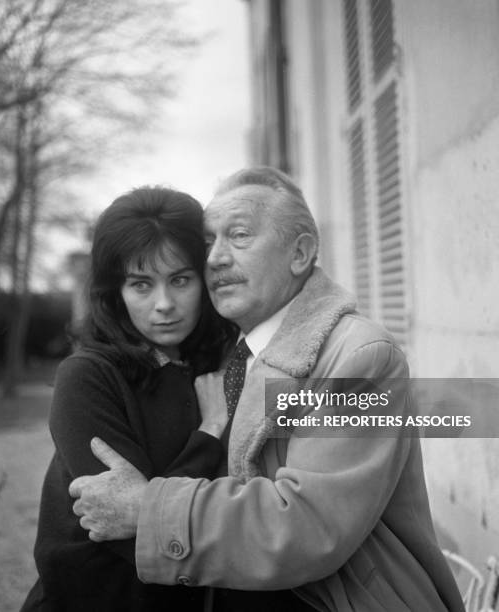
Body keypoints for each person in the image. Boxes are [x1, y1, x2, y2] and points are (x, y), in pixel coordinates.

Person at [69, 167, 466, 611]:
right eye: (207, 241)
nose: (215, 258)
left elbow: (307, 525)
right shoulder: (227, 351)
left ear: (300, 254)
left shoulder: (360, 359)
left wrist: (149, 510)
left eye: (238, 235)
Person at [21, 187, 236, 612]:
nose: (164, 305)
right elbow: (129, 532)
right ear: (114, 292)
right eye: (141, 284)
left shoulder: (214, 363)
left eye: (180, 279)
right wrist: (209, 435)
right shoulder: (86, 376)